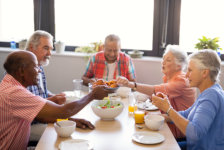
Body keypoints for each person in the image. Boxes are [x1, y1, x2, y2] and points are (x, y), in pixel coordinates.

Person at [0, 51, 110, 150]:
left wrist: (71, 120)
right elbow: (62, 111)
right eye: (35, 66)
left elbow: (42, 116)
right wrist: (92, 95)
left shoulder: (12, 86)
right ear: (21, 71)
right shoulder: (14, 93)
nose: (39, 70)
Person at [25, 30, 95, 143]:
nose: (49, 53)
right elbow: (37, 113)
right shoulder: (22, 71)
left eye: (51, 49)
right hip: (29, 125)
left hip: (42, 118)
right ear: (32, 47)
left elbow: (41, 93)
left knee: (72, 127)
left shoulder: (38, 65)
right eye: (46, 48)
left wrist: (54, 96)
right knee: (66, 134)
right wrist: (68, 119)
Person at [116, 45, 196, 139]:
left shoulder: (182, 80)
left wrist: (131, 84)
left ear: (179, 65)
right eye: (163, 59)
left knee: (137, 133)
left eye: (168, 60)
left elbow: (154, 90)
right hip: (169, 121)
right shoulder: (169, 78)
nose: (163, 62)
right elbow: (158, 95)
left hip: (177, 129)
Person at [151, 49, 224, 150]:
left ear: (204, 73)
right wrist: (156, 116)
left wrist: (168, 109)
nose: (186, 75)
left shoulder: (211, 96)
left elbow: (195, 133)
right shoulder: (211, 91)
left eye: (190, 70)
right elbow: (186, 115)